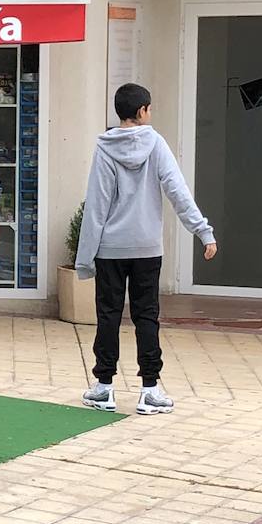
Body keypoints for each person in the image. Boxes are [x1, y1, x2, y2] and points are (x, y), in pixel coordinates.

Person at [75, 82, 218, 415]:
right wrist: (203, 232)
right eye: (150, 108)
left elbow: (96, 205)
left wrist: (85, 258)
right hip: (146, 248)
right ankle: (150, 389)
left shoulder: (105, 147)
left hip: (110, 248)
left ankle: (104, 388)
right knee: (146, 316)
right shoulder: (156, 145)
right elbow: (178, 192)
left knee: (108, 316)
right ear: (142, 111)